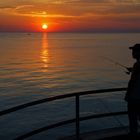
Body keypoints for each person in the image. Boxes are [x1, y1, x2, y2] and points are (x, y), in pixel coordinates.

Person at [125, 44, 140, 137]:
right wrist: (133, 70)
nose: (132, 53)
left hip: (134, 98)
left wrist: (127, 95)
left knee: (133, 119)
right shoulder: (136, 66)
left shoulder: (137, 65)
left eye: (134, 51)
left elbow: (132, 82)